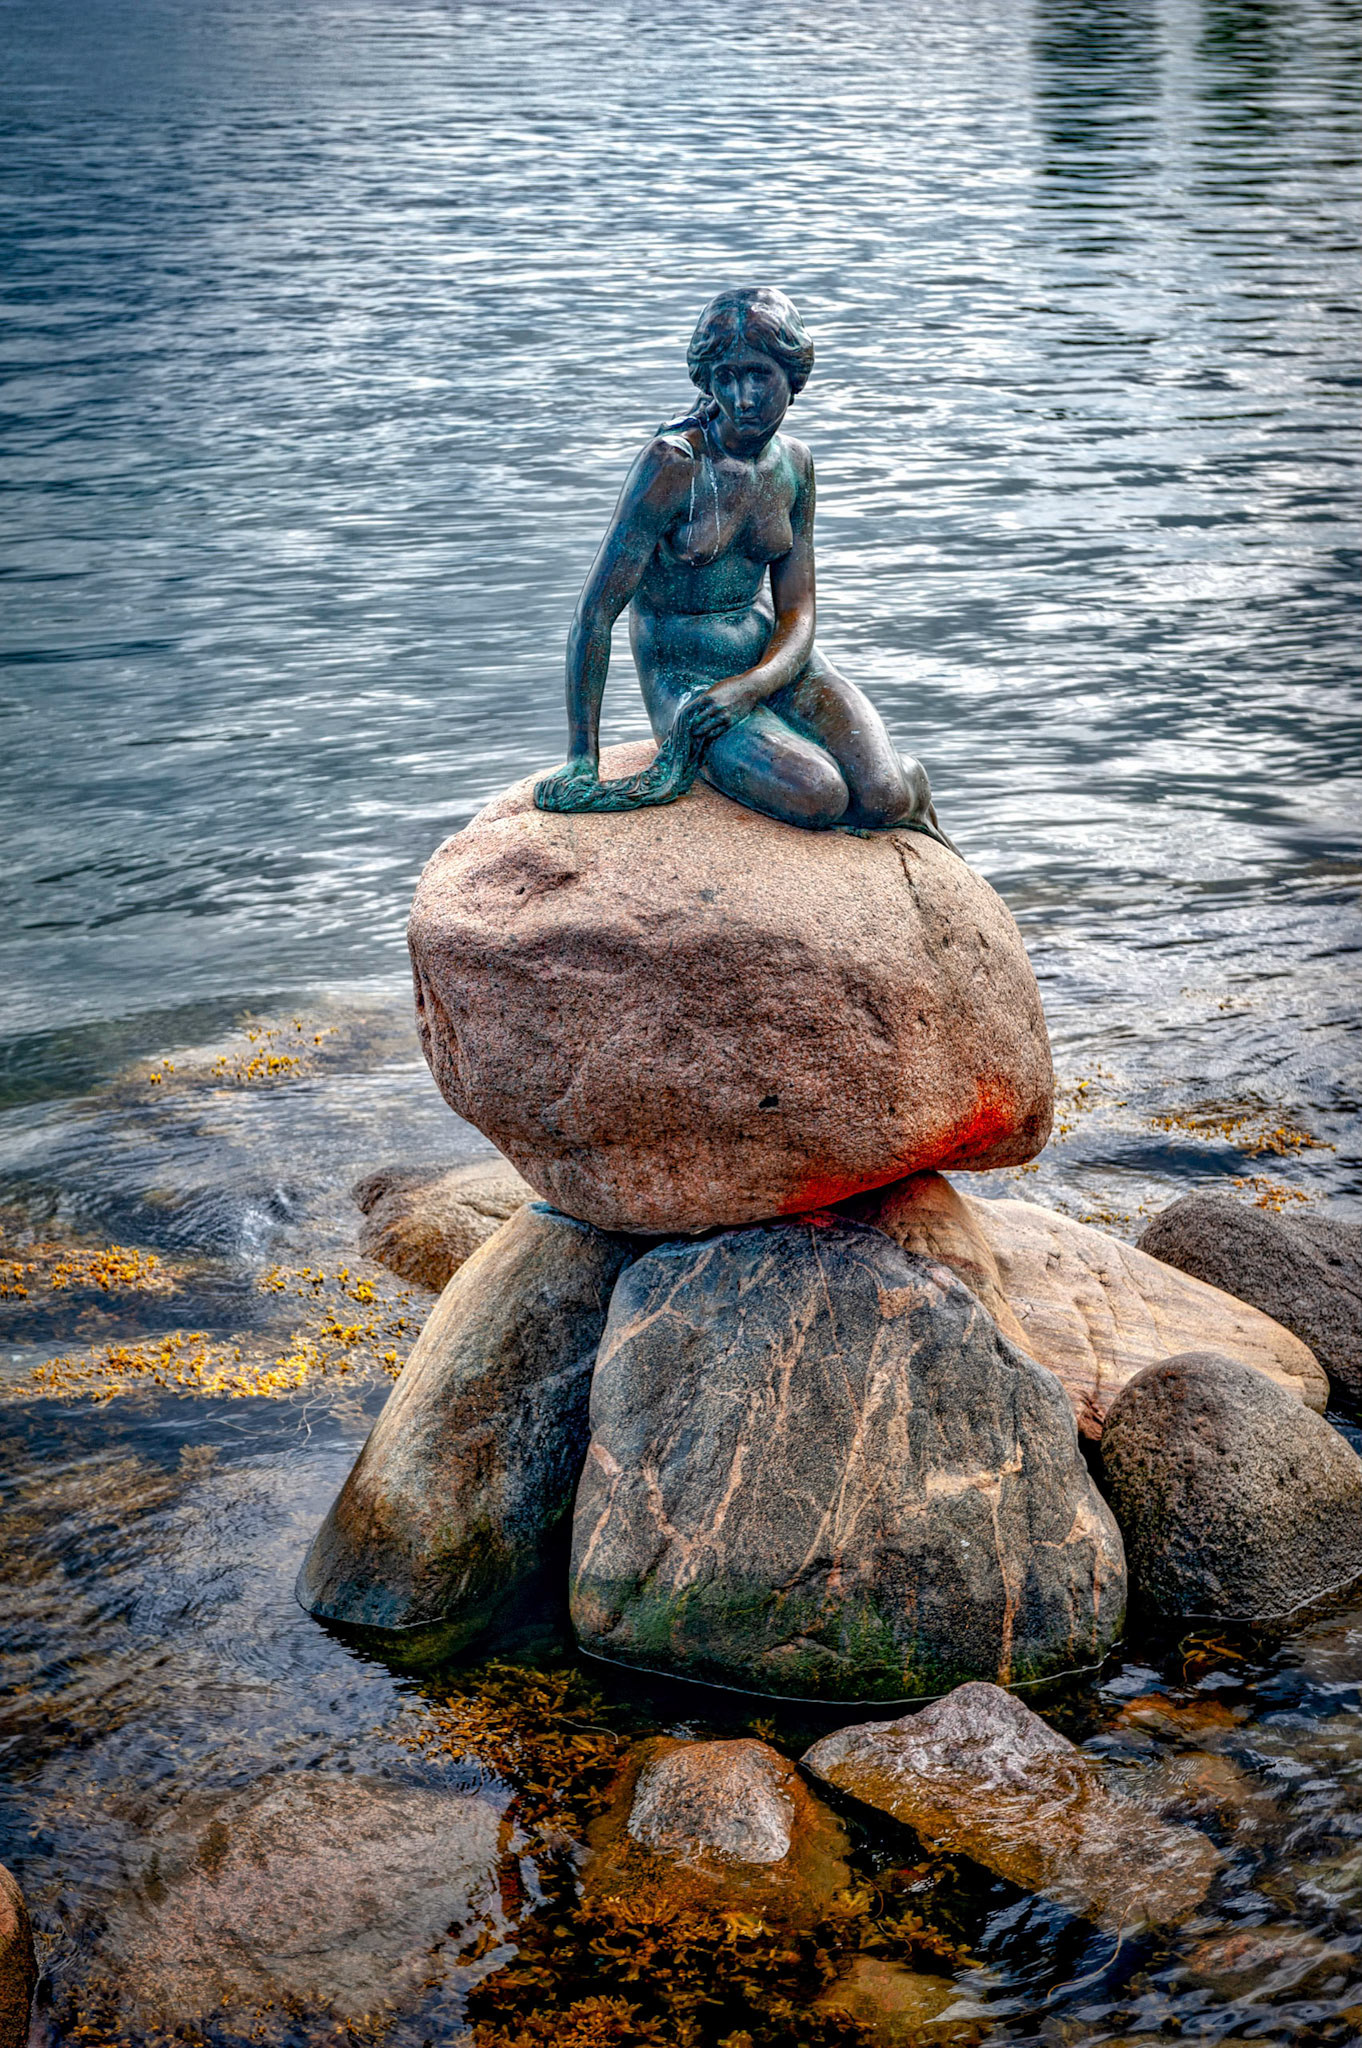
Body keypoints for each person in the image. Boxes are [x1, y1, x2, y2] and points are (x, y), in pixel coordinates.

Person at [535, 286, 952, 844]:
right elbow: (593, 616)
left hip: (777, 664)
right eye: (725, 378)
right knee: (820, 794)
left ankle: (902, 787)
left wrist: (755, 684)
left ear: (793, 377)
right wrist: (581, 759)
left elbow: (798, 611)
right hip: (692, 684)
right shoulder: (672, 466)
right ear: (707, 380)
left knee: (885, 796)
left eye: (759, 375)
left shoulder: (796, 464)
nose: (743, 398)